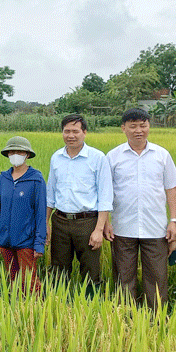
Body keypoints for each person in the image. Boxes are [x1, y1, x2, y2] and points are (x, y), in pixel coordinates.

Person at [105, 108, 176, 309]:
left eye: (143, 125)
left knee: (157, 278)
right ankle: (124, 318)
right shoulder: (113, 156)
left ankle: (156, 320)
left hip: (155, 228)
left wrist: (173, 221)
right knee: (123, 277)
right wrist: (105, 222)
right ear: (123, 128)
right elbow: (105, 192)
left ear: (149, 126)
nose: (138, 130)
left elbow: (172, 189)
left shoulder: (162, 155)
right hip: (122, 227)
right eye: (133, 126)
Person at [46, 114, 113, 295]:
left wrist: (99, 229)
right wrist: (46, 223)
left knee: (90, 269)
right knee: (58, 268)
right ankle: (59, 305)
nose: (71, 135)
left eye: (75, 131)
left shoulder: (97, 158)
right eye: (67, 131)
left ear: (84, 132)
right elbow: (50, 193)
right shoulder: (56, 158)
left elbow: (105, 196)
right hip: (60, 220)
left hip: (87, 222)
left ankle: (91, 309)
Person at [0, 136, 47, 293]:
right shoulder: (4, 178)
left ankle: (35, 313)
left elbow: (40, 213)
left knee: (29, 283)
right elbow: (0, 210)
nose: (15, 154)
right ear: (8, 154)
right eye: (12, 151)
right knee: (12, 281)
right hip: (5, 241)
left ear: (27, 155)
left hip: (26, 241)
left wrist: (39, 243)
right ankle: (15, 313)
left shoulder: (36, 179)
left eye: (19, 151)